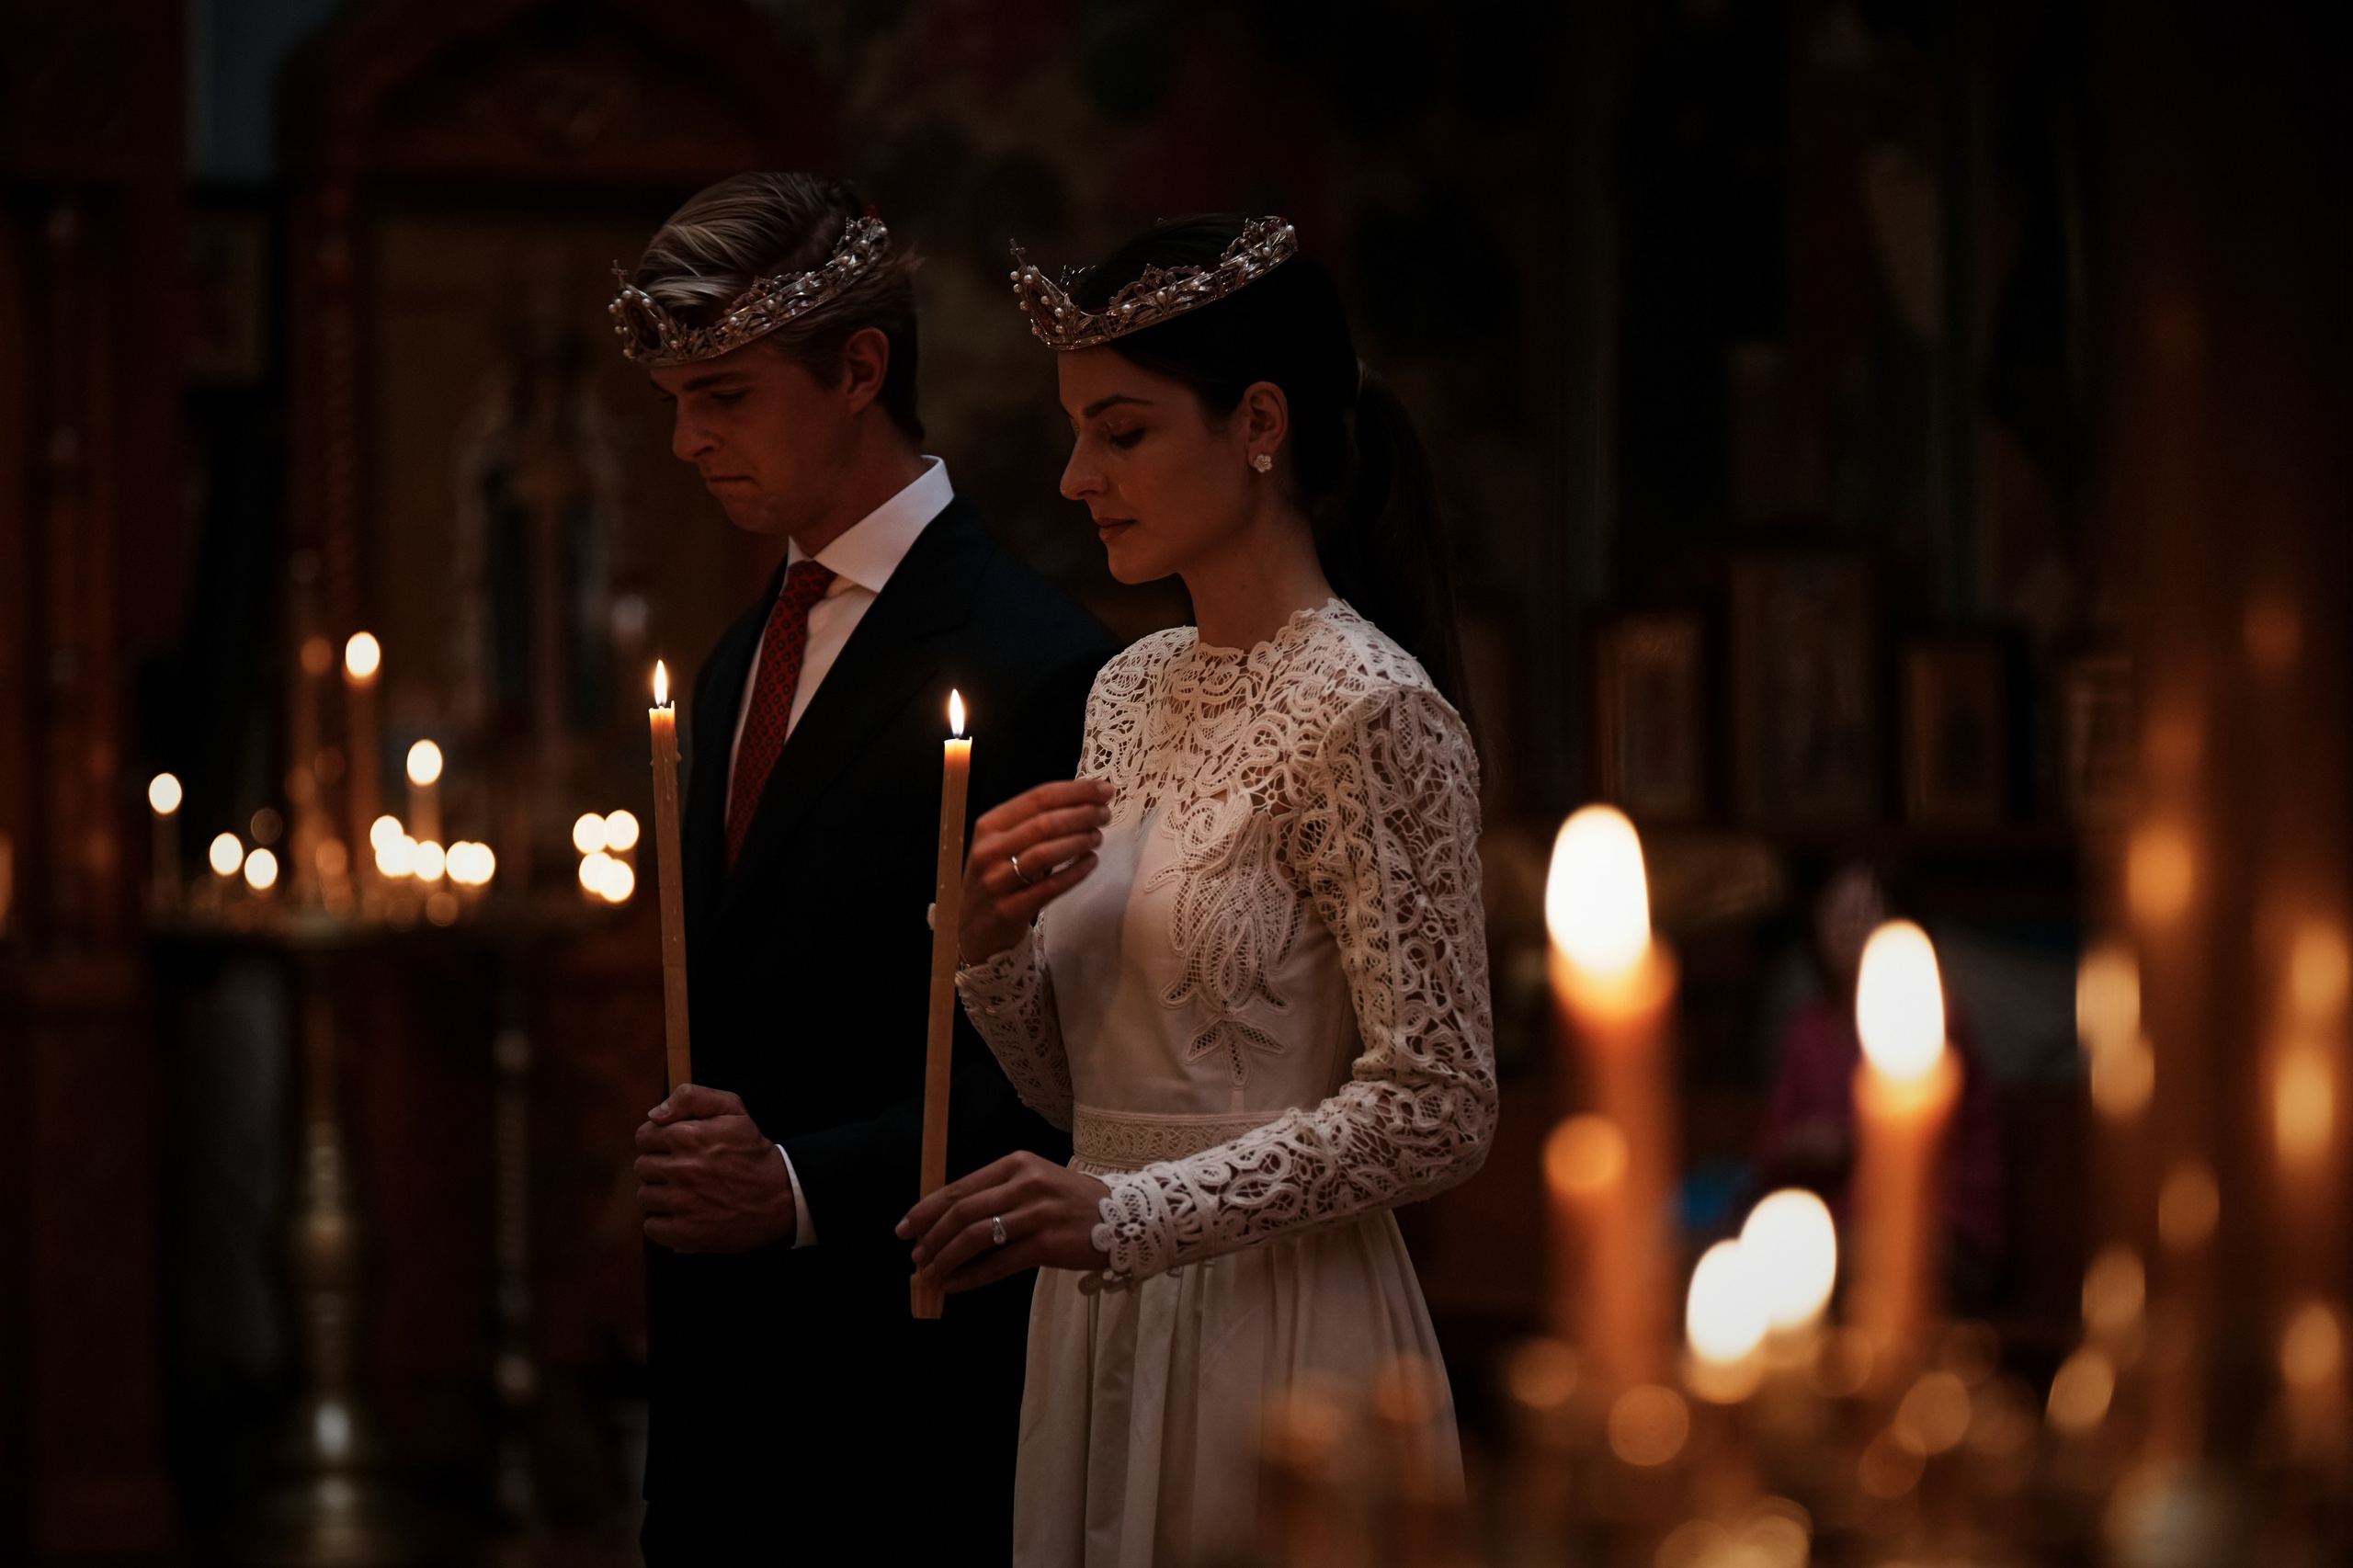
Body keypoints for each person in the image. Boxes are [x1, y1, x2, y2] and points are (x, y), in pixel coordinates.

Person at [896, 216, 1499, 1566]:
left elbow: (1440, 1105)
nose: (1074, 476)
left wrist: (1137, 1212)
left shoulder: (1374, 709)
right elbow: (1086, 1092)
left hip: (1282, 1332)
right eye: (1075, 432)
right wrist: (986, 947)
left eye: (1121, 431)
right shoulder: (1128, 689)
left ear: (1259, 422)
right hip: (1099, 1317)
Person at [612, 173, 1116, 1563]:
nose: (682, 439)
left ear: (858, 368)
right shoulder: (732, 662)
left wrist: (789, 1186)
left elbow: (1068, 1082)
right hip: (721, 1407)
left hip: (910, 1397)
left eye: (722, 393)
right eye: (675, 398)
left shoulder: (1038, 663)